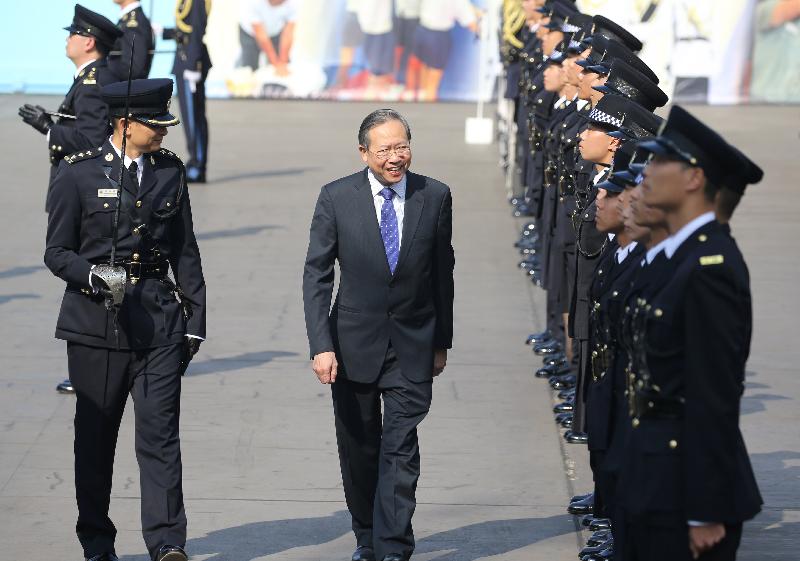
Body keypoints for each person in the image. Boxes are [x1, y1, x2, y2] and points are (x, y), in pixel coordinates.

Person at [44, 78, 207, 561]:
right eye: (153, 125)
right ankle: (97, 542)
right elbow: (56, 252)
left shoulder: (169, 172)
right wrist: (93, 274)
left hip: (159, 322)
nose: (162, 132)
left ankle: (167, 541)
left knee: (161, 438)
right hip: (96, 326)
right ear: (125, 123)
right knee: (96, 441)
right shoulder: (76, 174)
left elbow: (185, 249)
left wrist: (195, 318)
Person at [303, 109, 454, 561]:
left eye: (402, 146)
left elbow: (442, 273)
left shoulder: (436, 195)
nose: (396, 157)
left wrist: (441, 341)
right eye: (385, 149)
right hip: (351, 345)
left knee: (400, 448)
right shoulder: (336, 197)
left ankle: (393, 545)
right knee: (360, 449)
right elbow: (316, 275)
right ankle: (367, 535)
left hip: (413, 343)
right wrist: (321, 345)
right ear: (364, 152)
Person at [618, 105, 763, 561]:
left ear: (694, 179)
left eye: (660, 162)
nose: (647, 172)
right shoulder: (675, 257)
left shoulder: (709, 267)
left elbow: (714, 392)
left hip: (683, 492)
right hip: (653, 474)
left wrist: (705, 509)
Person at [18, 4, 122, 198]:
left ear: (89, 42)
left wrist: (49, 128)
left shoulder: (92, 84)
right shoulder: (92, 77)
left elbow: (93, 142)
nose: (68, 38)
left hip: (79, 190)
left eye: (74, 33)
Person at [163, 0, 212, 183]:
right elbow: (184, 30)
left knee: (194, 118)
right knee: (189, 116)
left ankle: (197, 165)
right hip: (184, 59)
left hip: (190, 61)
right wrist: (165, 32)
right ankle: (194, 162)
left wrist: (192, 63)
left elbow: (196, 30)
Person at [413, 0, 480, 101]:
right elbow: (471, 23)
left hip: (422, 31)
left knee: (425, 78)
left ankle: (421, 107)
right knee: (432, 83)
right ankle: (428, 112)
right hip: (437, 37)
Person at [237, 0, 298, 74]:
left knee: (284, 66)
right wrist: (275, 63)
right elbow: (261, 35)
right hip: (250, 32)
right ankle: (240, 62)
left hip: (275, 31)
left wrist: (282, 63)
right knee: (249, 68)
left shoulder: (294, 2)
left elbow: (288, 33)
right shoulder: (253, 2)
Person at [108, 0, 156, 81]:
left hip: (124, 90)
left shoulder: (134, 22)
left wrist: (102, 72)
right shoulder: (126, 19)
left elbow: (133, 68)